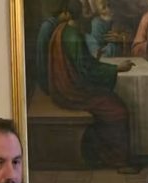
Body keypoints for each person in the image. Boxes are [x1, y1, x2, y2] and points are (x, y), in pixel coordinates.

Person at [45, 0, 138, 172]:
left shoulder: (66, 30)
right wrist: (116, 68)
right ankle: (118, 161)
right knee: (118, 110)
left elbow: (86, 65)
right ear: (80, 13)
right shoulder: (73, 36)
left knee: (111, 101)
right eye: (86, 8)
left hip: (67, 85)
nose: (91, 10)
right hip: (72, 91)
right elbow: (88, 70)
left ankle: (101, 153)